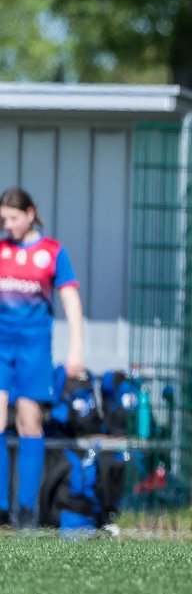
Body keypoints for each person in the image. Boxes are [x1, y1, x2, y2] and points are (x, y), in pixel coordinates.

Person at [0, 187, 85, 529]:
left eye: (13, 218)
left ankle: (26, 510)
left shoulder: (51, 253)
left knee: (28, 423)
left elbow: (70, 300)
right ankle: (2, 508)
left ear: (30, 214)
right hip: (1, 346)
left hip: (34, 348)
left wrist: (76, 347)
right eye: (3, 219)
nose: (7, 225)